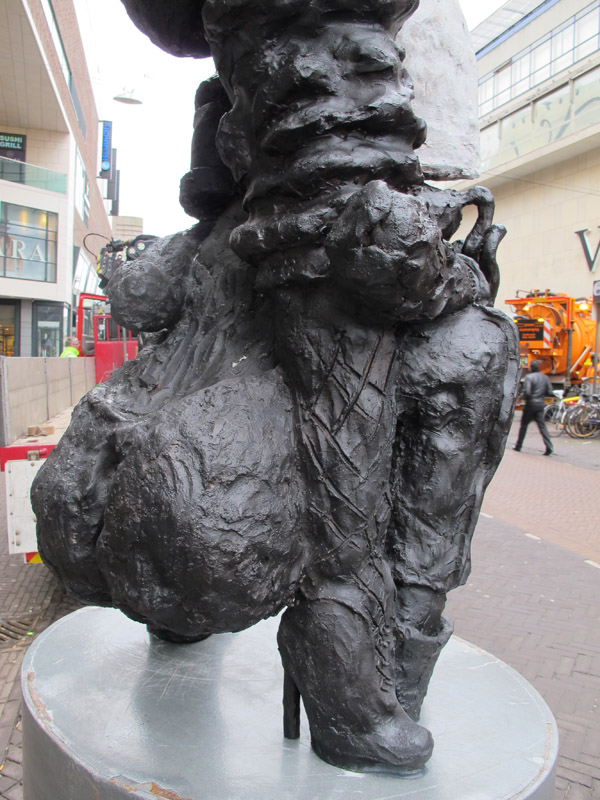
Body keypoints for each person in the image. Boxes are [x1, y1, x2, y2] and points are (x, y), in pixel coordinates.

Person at [514, 360, 554, 455]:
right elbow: (549, 391)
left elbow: (527, 392)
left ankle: (518, 446)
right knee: (542, 426)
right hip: (540, 405)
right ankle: (549, 446)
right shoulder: (545, 377)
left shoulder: (529, 377)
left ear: (531, 368)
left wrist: (524, 397)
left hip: (530, 405)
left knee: (523, 426)